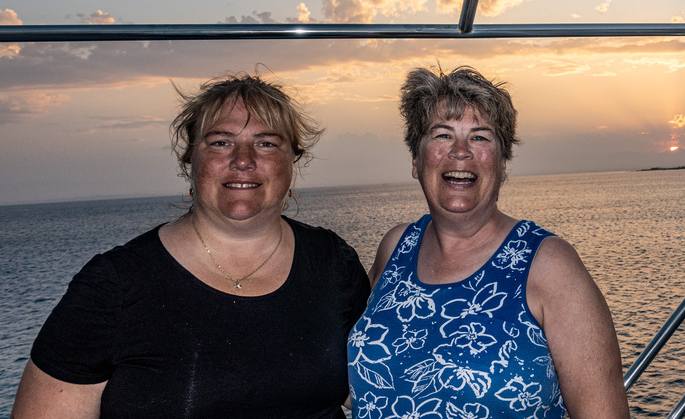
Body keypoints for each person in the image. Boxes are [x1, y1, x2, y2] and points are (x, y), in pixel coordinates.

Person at [12, 72, 371, 419]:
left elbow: (376, 387)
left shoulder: (333, 263)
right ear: (190, 160)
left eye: (266, 143)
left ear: (293, 160)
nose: (243, 160)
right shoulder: (113, 285)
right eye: (220, 142)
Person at [348, 66, 630, 419]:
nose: (460, 152)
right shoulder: (396, 247)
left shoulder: (549, 265)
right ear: (416, 161)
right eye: (442, 135)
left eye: (480, 137)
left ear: (503, 164)